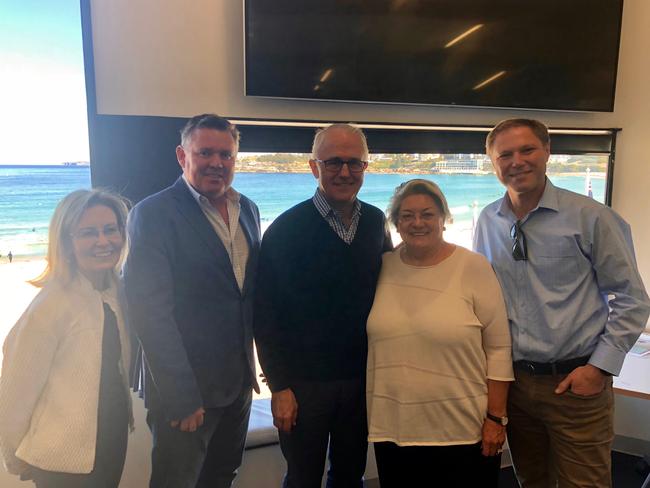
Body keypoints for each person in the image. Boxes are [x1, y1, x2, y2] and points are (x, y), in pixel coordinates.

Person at [473, 118, 650, 487]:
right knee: (531, 480)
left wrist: (600, 368)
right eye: (505, 154)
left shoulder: (592, 217)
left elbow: (632, 298)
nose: (517, 161)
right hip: (516, 385)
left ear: (547, 152)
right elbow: (484, 298)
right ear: (493, 162)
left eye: (527, 150)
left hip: (576, 384)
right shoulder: (487, 220)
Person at [123, 114, 261, 488]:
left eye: (226, 154)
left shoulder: (247, 209)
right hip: (187, 393)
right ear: (183, 156)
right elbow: (150, 313)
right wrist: (181, 396)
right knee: (176, 482)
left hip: (237, 386)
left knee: (221, 477)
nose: (217, 162)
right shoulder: (152, 214)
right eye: (205, 153)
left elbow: (242, 296)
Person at [254, 124, 392, 487]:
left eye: (354, 163)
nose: (344, 172)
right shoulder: (285, 230)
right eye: (333, 162)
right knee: (303, 478)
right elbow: (265, 314)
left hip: (361, 380)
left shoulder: (377, 222)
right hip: (303, 387)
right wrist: (279, 388)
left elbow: (390, 291)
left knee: (350, 475)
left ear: (366, 166)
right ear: (314, 167)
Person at [366, 179, 513, 488]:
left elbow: (499, 348)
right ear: (395, 223)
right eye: (407, 215)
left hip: (464, 429)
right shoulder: (382, 267)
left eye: (427, 214)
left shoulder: (473, 266)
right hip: (395, 428)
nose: (417, 223)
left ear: (444, 219)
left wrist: (496, 418)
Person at [0, 189, 132, 488]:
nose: (103, 241)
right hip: (61, 458)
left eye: (110, 229)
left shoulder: (114, 291)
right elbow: (14, 391)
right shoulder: (52, 304)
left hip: (109, 442)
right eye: (87, 233)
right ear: (66, 242)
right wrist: (12, 455)